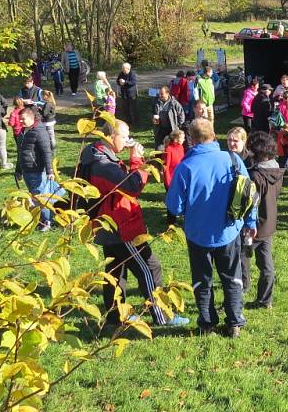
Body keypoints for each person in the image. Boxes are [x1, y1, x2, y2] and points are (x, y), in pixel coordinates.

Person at [83, 120, 189, 327]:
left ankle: (115, 317)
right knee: (150, 268)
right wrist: (137, 160)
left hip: (107, 225)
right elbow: (132, 186)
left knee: (115, 273)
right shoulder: (103, 165)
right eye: (125, 136)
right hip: (121, 227)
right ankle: (162, 315)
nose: (129, 140)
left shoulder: (97, 155)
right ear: (110, 137)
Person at [166, 118, 254, 336]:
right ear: (214, 136)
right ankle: (234, 322)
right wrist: (251, 222)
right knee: (232, 276)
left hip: (198, 234)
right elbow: (249, 194)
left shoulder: (185, 167)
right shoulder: (233, 159)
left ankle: (207, 324)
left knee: (202, 280)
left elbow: (174, 207)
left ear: (192, 140)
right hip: (229, 230)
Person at [242, 131, 284, 309]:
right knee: (266, 263)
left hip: (254, 226)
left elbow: (251, 202)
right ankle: (266, 299)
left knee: (240, 258)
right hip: (269, 222)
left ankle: (242, 288)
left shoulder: (256, 176)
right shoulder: (277, 170)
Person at [15, 108, 54, 230]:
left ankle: (47, 222)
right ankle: (41, 219)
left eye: (23, 118)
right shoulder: (25, 131)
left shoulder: (39, 131)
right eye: (19, 118)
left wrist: (49, 171)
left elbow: (47, 152)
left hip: (36, 170)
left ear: (31, 118)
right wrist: (18, 170)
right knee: (35, 196)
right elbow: (21, 152)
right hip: (27, 169)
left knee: (40, 198)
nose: (21, 121)